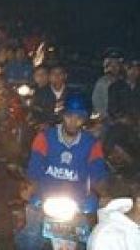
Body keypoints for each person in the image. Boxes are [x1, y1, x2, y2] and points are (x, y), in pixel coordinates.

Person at [15, 93, 109, 248]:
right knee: (30, 236)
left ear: (84, 120)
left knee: (94, 237)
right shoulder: (44, 138)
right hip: (44, 197)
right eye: (69, 116)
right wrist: (29, 186)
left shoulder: (92, 144)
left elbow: (98, 172)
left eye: (78, 118)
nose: (73, 122)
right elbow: (34, 168)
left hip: (79, 201)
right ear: (63, 115)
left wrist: (105, 194)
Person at [92, 49, 125, 119]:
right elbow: (97, 107)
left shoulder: (125, 82)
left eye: (116, 64)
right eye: (111, 64)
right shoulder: (101, 83)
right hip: (105, 119)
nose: (114, 67)